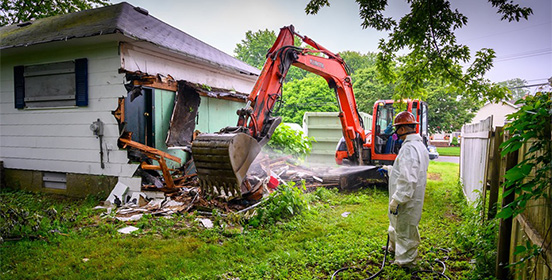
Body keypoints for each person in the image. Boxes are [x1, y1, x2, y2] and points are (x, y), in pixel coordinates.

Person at [380, 111, 429, 268]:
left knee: (405, 228)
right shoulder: (418, 146)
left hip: (407, 199)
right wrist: (390, 169)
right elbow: (407, 170)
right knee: (397, 224)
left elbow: (408, 178)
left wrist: (398, 199)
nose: (396, 134)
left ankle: (405, 263)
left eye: (396, 130)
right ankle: (394, 249)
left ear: (401, 129)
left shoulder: (409, 148)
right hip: (412, 196)